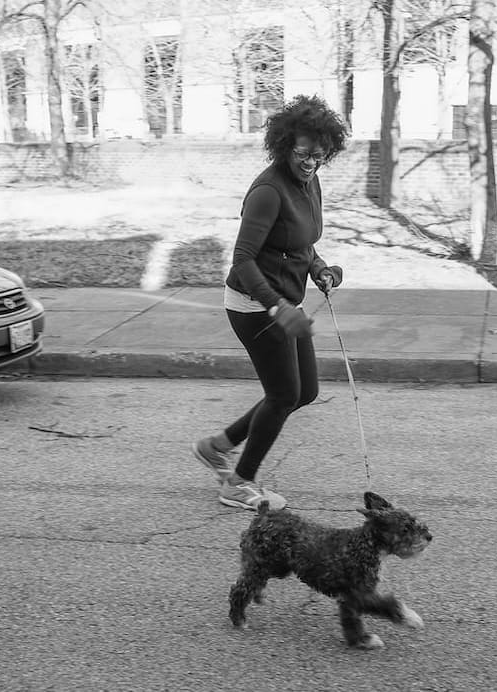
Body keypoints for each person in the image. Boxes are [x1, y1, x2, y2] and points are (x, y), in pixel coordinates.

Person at [193, 95, 350, 511]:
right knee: (283, 395)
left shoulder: (310, 181)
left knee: (305, 392)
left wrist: (320, 268)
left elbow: (299, 243)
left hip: (284, 303)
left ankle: (218, 446)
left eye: (318, 155)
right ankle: (239, 483)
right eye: (302, 154)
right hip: (253, 305)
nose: (310, 162)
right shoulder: (268, 190)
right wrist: (277, 307)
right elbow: (242, 260)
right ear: (285, 147)